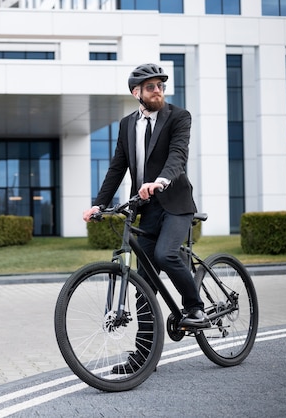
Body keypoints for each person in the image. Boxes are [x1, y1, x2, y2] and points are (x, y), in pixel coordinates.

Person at [82, 63, 210, 373]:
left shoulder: (179, 117)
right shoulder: (127, 125)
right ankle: (143, 358)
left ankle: (195, 308)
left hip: (176, 204)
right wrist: (99, 204)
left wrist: (161, 180)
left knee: (166, 254)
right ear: (136, 92)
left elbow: (178, 154)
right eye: (151, 86)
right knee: (143, 287)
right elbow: (117, 167)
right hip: (147, 209)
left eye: (161, 86)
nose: (158, 91)